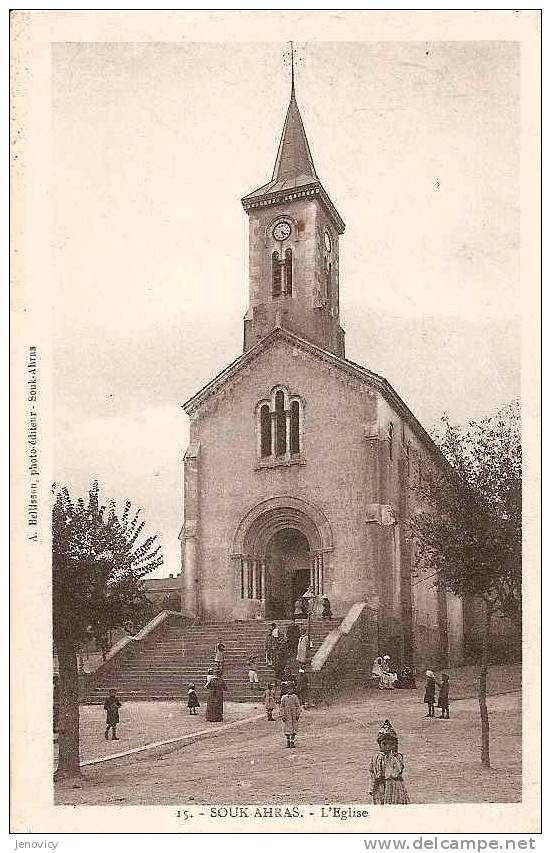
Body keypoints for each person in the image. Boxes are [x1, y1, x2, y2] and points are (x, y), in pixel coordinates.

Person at [368, 719, 410, 804]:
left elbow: (398, 770)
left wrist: (391, 757)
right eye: (384, 744)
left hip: (395, 786)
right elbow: (373, 773)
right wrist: (372, 787)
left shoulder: (397, 757)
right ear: (380, 745)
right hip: (380, 786)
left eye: (391, 744)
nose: (388, 746)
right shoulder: (376, 758)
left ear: (395, 745)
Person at [279, 683, 301, 748]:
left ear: (293, 690)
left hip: (293, 715)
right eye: (288, 689)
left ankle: (292, 741)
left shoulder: (295, 697)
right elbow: (282, 707)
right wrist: (282, 715)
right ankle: (288, 742)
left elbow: (298, 706)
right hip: (287, 715)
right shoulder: (284, 697)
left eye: (291, 689)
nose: (289, 690)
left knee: (294, 728)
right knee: (287, 729)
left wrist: (297, 714)